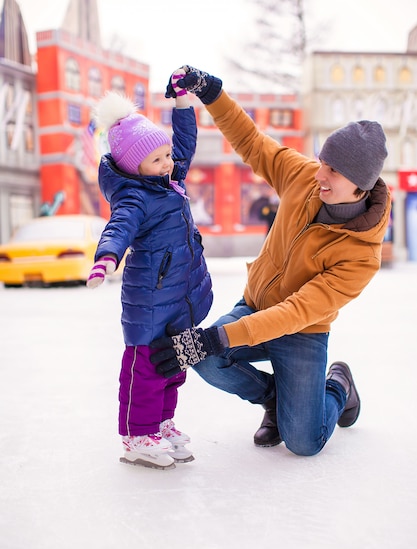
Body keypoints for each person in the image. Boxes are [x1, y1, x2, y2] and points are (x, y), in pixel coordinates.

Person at [150, 65, 390, 457]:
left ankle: (337, 386)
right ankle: (275, 398)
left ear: (360, 185)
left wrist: (216, 337)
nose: (321, 175)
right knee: (205, 359)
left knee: (304, 442)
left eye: (334, 171)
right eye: (323, 161)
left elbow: (298, 311)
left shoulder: (361, 255)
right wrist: (211, 92)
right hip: (256, 306)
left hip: (303, 332)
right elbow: (252, 141)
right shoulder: (304, 176)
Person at [87, 72, 213, 469]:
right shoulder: (134, 197)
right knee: (144, 370)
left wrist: (181, 103)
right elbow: (118, 228)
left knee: (174, 364)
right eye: (157, 159)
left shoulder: (169, 181)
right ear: (134, 165)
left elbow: (185, 146)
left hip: (181, 298)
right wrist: (107, 257)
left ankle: (161, 423)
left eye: (166, 157)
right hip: (150, 301)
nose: (168, 163)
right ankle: (138, 435)